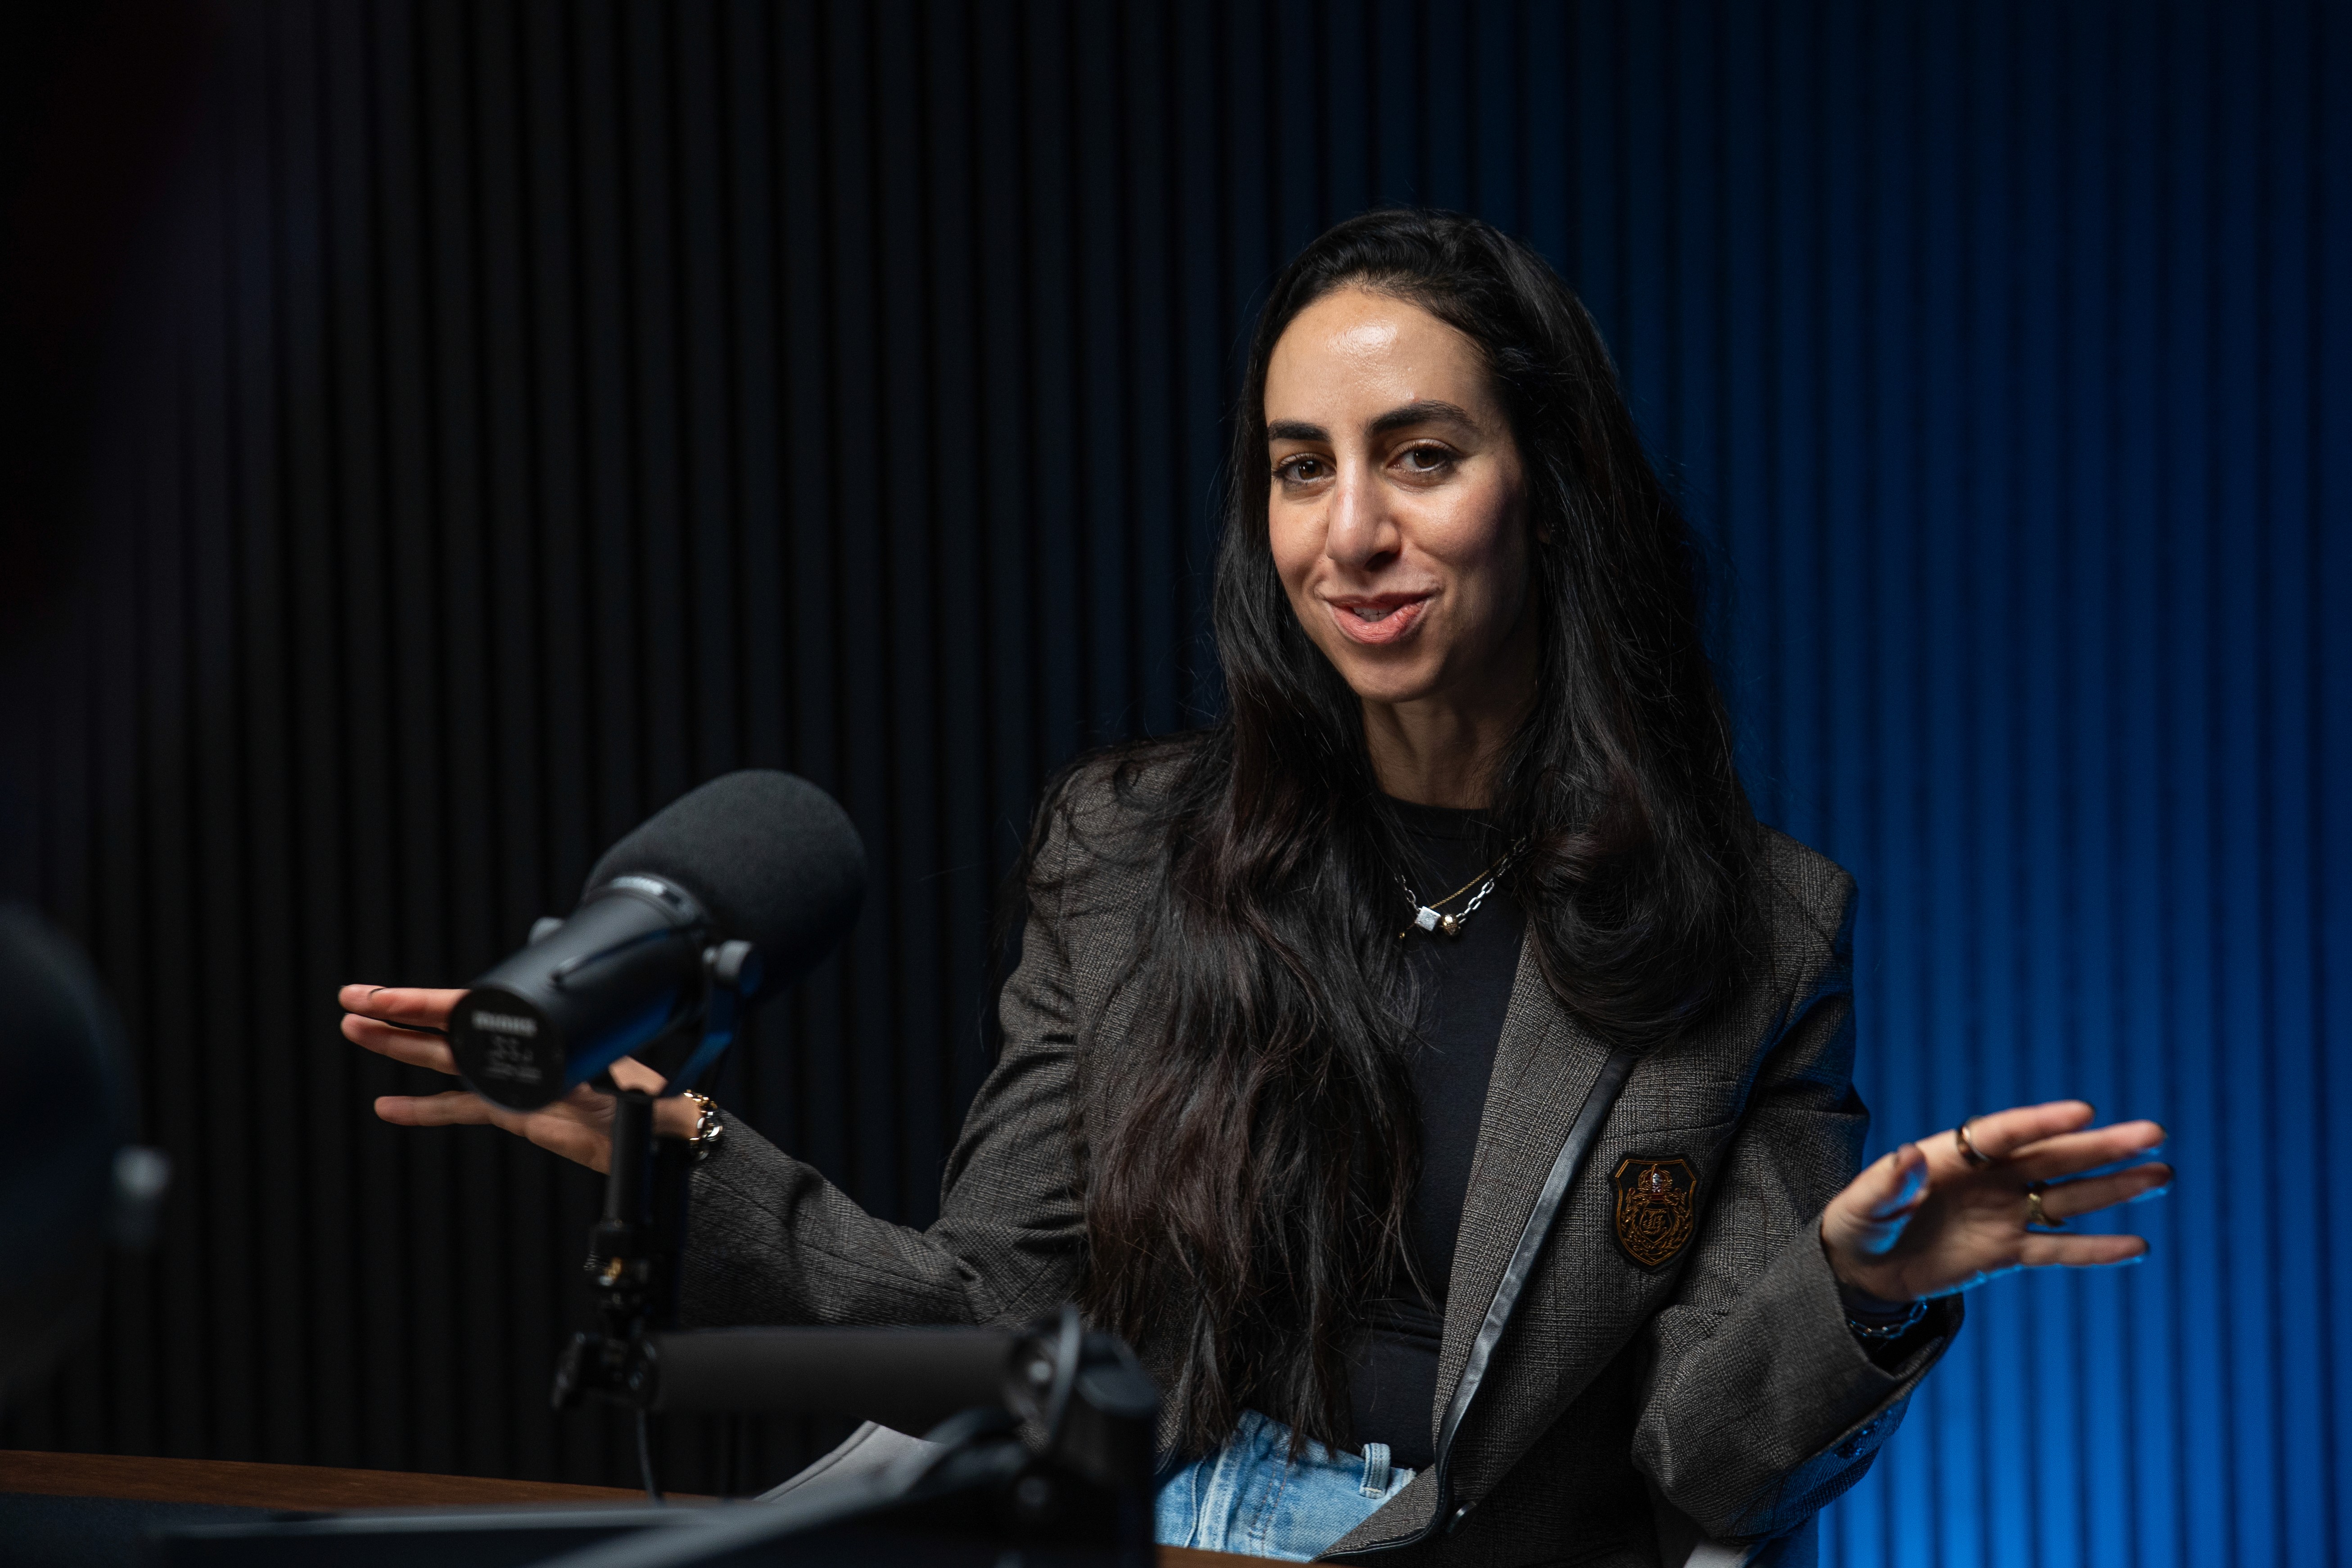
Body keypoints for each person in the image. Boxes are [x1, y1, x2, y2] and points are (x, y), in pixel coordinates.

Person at [341, 210, 2171, 1567]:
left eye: (1418, 456)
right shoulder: (1126, 848)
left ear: (1547, 495)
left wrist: (1858, 1286)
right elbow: (994, 1316)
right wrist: (667, 1148)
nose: (1348, 533)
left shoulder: (1751, 930)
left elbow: (1701, 1460)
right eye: (1301, 471)